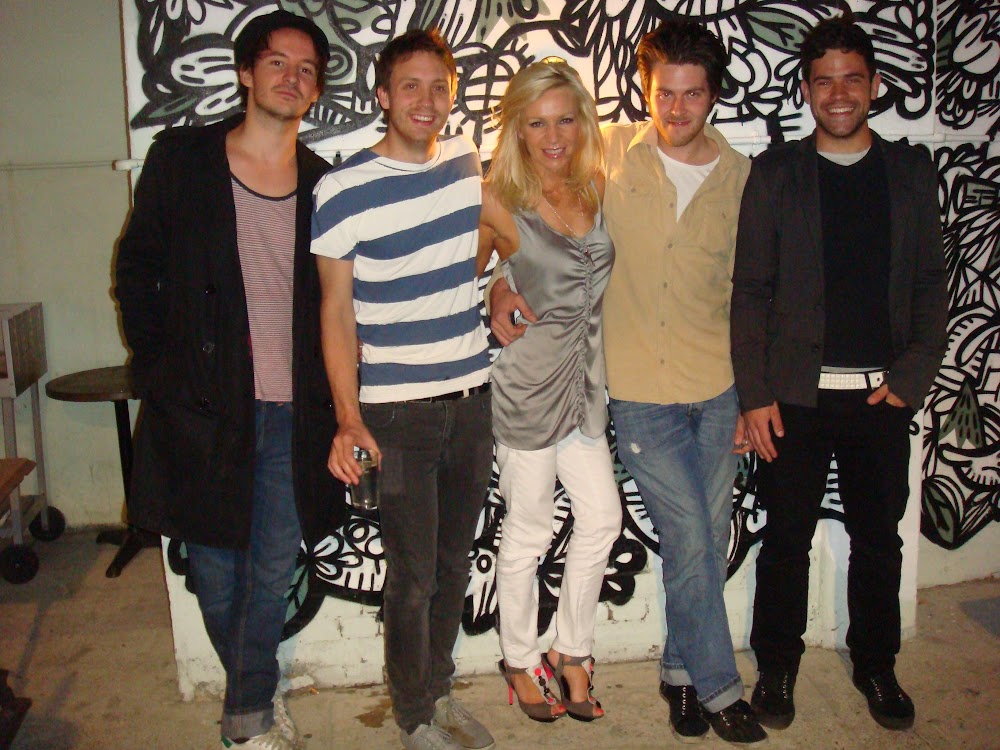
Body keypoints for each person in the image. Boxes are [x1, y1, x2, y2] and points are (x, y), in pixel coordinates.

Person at [491, 19, 766, 745]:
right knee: (681, 535)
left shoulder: (740, 177)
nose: (676, 108)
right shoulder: (609, 154)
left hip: (706, 384)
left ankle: (668, 671)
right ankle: (719, 688)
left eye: (692, 94)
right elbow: (504, 239)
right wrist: (495, 286)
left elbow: (750, 291)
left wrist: (755, 394)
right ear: (645, 91)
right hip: (631, 392)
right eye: (664, 92)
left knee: (694, 538)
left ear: (713, 96)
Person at [115, 10, 342, 749]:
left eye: (306, 70)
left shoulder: (324, 183)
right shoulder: (183, 160)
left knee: (271, 570)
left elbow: (341, 301)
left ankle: (246, 717)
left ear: (316, 89)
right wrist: (158, 366)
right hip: (204, 408)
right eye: (277, 62)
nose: (292, 78)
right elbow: (136, 266)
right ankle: (257, 694)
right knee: (214, 570)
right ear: (246, 72)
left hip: (294, 411)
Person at [731, 13, 949, 733]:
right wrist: (755, 394)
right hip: (795, 399)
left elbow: (930, 283)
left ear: (875, 84)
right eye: (824, 81)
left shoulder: (910, 173)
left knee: (879, 540)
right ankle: (778, 666)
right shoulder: (776, 173)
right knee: (786, 538)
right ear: (806, 90)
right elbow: (750, 290)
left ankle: (877, 664)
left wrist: (912, 377)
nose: (839, 93)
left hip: (882, 398)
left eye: (852, 78)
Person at [310, 29, 495, 750]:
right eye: (410, 85)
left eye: (439, 86)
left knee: (454, 564)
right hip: (396, 415)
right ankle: (414, 716)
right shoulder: (342, 189)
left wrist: (504, 285)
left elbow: (504, 240)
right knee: (412, 578)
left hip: (472, 401)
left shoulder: (467, 163)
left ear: (452, 95)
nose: (427, 99)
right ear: (383, 96)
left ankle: (439, 692)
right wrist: (348, 417)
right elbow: (335, 311)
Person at [478, 59, 622, 724]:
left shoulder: (597, 185)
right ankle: (518, 657)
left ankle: (571, 648)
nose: (553, 136)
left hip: (585, 390)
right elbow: (461, 276)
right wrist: (494, 290)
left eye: (565, 119)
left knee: (602, 519)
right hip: (528, 390)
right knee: (530, 529)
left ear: (583, 122)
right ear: (517, 129)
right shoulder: (497, 199)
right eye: (537, 123)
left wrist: (501, 282)